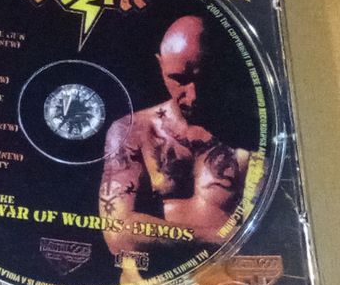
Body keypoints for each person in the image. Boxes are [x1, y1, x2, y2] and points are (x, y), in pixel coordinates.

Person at [98, 15, 250, 265]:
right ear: (160, 65)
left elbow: (266, 227)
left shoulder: (250, 135)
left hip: (224, 279)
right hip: (154, 280)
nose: (193, 95)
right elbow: (117, 233)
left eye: (204, 78)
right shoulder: (132, 131)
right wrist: (217, 238)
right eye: (178, 79)